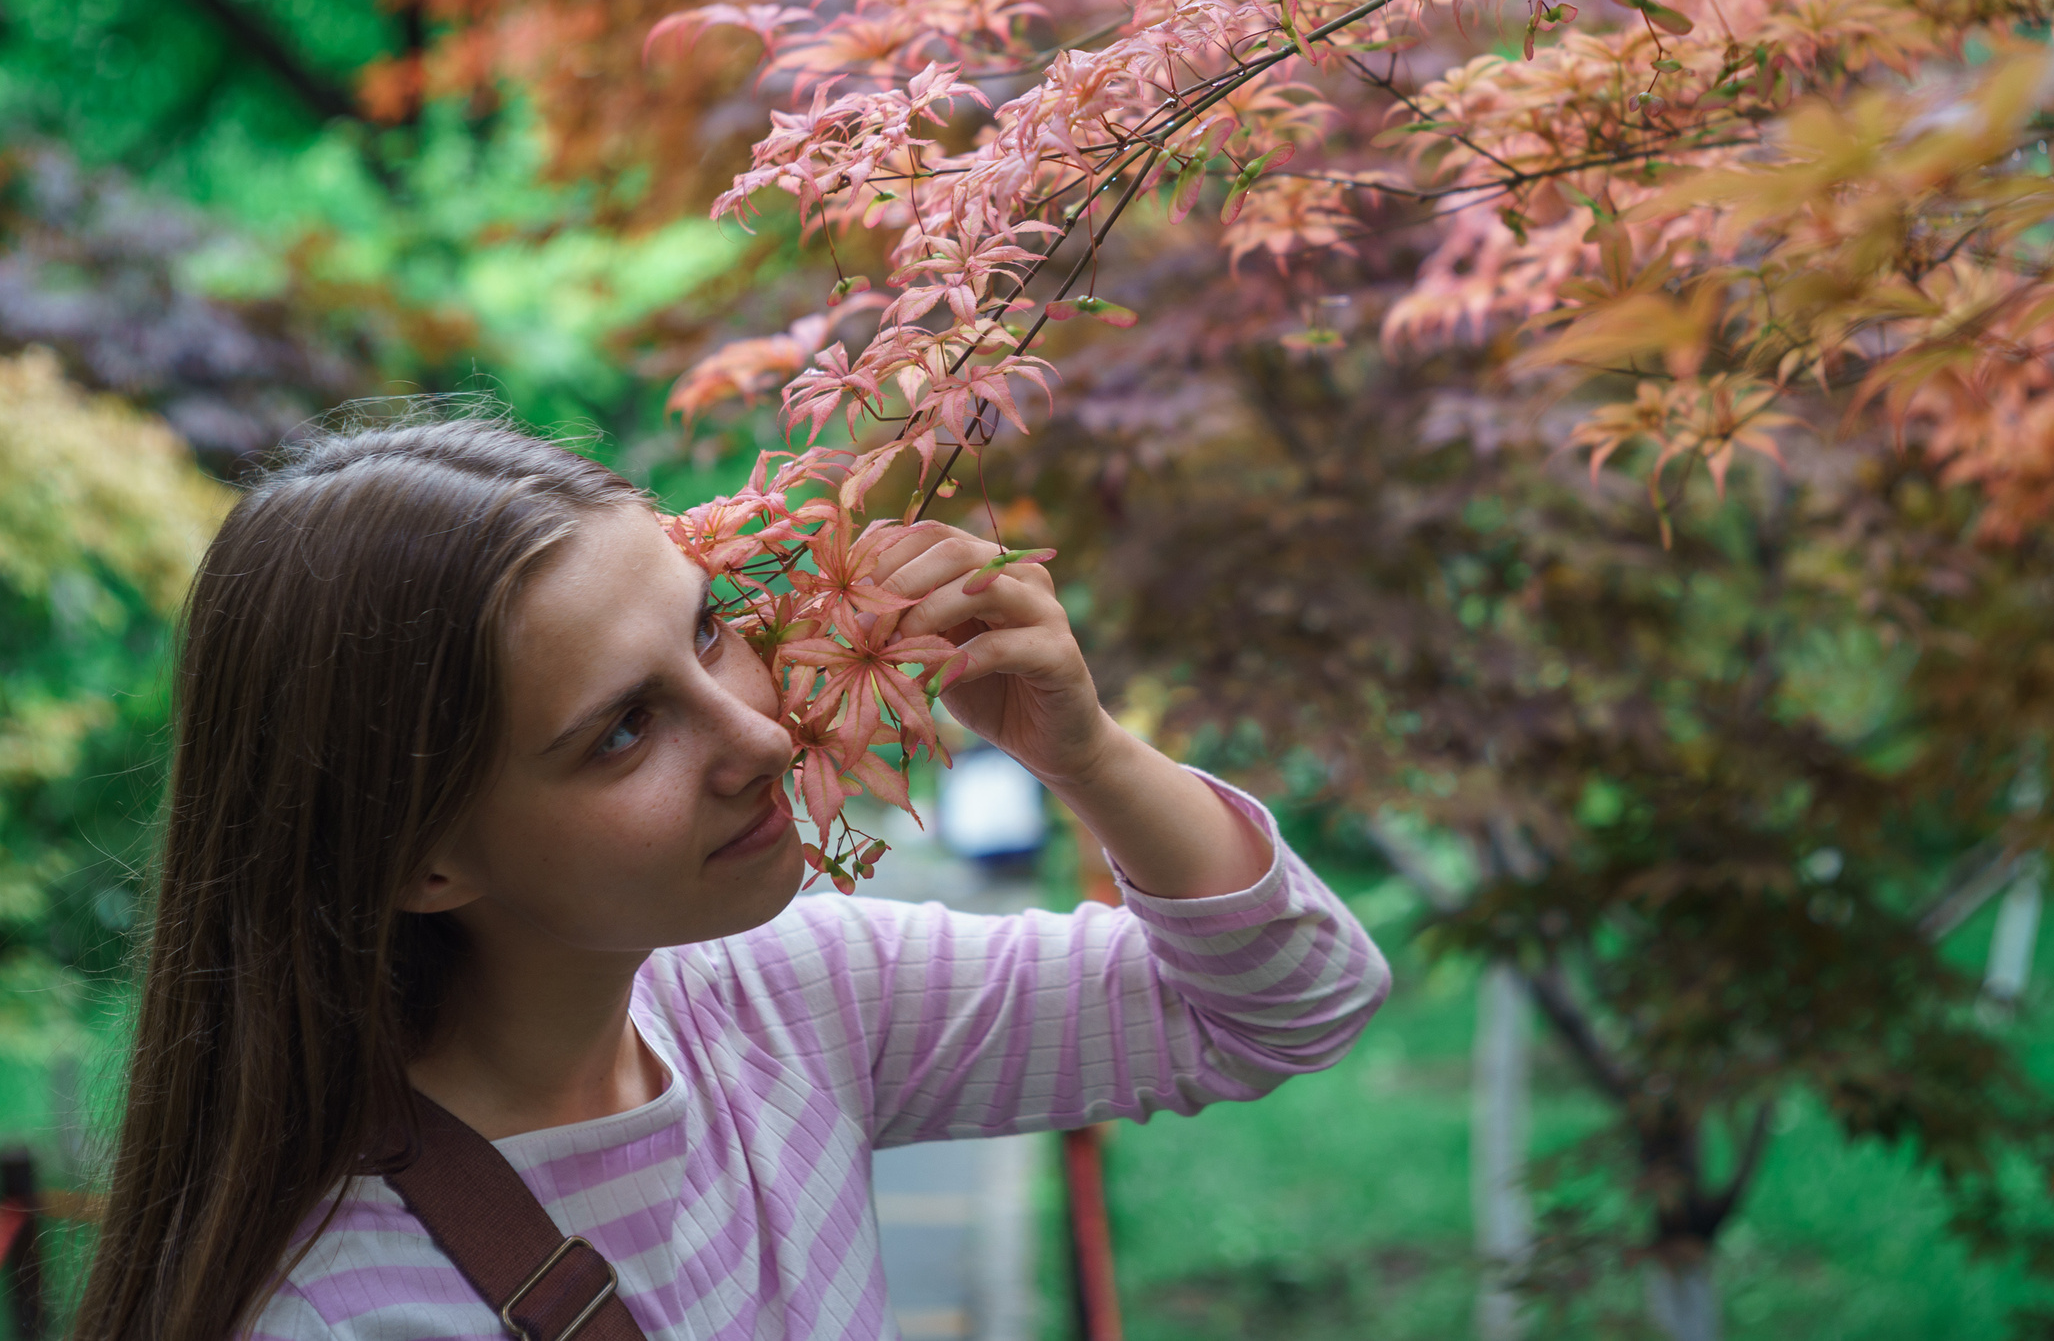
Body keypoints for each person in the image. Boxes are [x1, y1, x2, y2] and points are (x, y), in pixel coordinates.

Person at [71, 417, 1391, 1341]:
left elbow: (1289, 1004)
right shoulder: (355, 1309)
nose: (762, 736)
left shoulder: (777, 998)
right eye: (626, 728)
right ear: (424, 856)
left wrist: (1086, 753)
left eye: (712, 631)